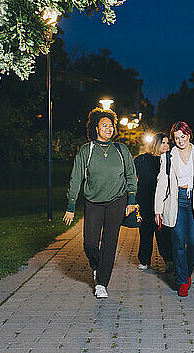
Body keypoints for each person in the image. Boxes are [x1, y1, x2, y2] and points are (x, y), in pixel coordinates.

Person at [63, 108, 137, 299]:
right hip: (93, 203)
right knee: (89, 242)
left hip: (116, 201)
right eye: (105, 125)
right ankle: (96, 266)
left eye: (111, 126)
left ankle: (102, 283)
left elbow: (131, 176)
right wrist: (71, 206)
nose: (109, 129)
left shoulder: (121, 150)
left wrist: (131, 200)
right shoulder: (86, 151)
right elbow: (76, 178)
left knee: (110, 243)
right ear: (96, 128)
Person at [154, 121, 194, 297]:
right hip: (176, 201)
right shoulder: (167, 157)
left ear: (188, 135)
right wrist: (158, 209)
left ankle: (186, 272)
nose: (180, 140)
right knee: (179, 242)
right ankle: (182, 281)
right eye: (176, 138)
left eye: (182, 136)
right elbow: (162, 183)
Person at [134, 133, 173, 272]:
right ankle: (144, 260)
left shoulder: (170, 160)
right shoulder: (142, 160)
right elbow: (133, 180)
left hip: (162, 203)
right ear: (156, 144)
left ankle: (169, 260)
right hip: (145, 202)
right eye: (163, 142)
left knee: (163, 234)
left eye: (168, 143)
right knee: (145, 233)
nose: (166, 146)